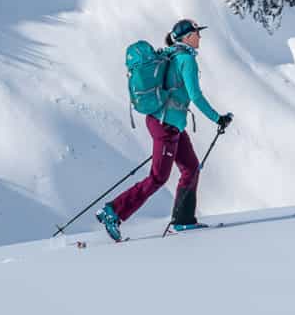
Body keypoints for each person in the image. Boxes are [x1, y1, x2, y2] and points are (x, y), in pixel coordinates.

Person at [98, 18, 233, 239]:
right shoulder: (186, 60)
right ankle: (113, 211)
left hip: (169, 123)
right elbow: (195, 96)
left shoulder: (171, 54)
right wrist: (218, 118)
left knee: (191, 167)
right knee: (158, 177)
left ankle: (183, 221)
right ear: (188, 37)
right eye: (197, 33)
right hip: (165, 125)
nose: (200, 37)